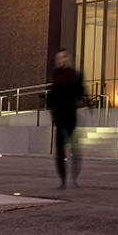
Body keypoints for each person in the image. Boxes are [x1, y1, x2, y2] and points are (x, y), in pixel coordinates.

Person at [46, 48, 88, 188]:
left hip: (70, 116)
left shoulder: (74, 75)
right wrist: (51, 107)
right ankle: (63, 180)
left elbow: (80, 93)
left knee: (75, 149)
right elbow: (52, 94)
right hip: (59, 118)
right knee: (59, 150)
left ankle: (74, 178)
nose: (59, 60)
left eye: (61, 58)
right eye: (57, 58)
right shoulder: (55, 76)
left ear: (66, 59)